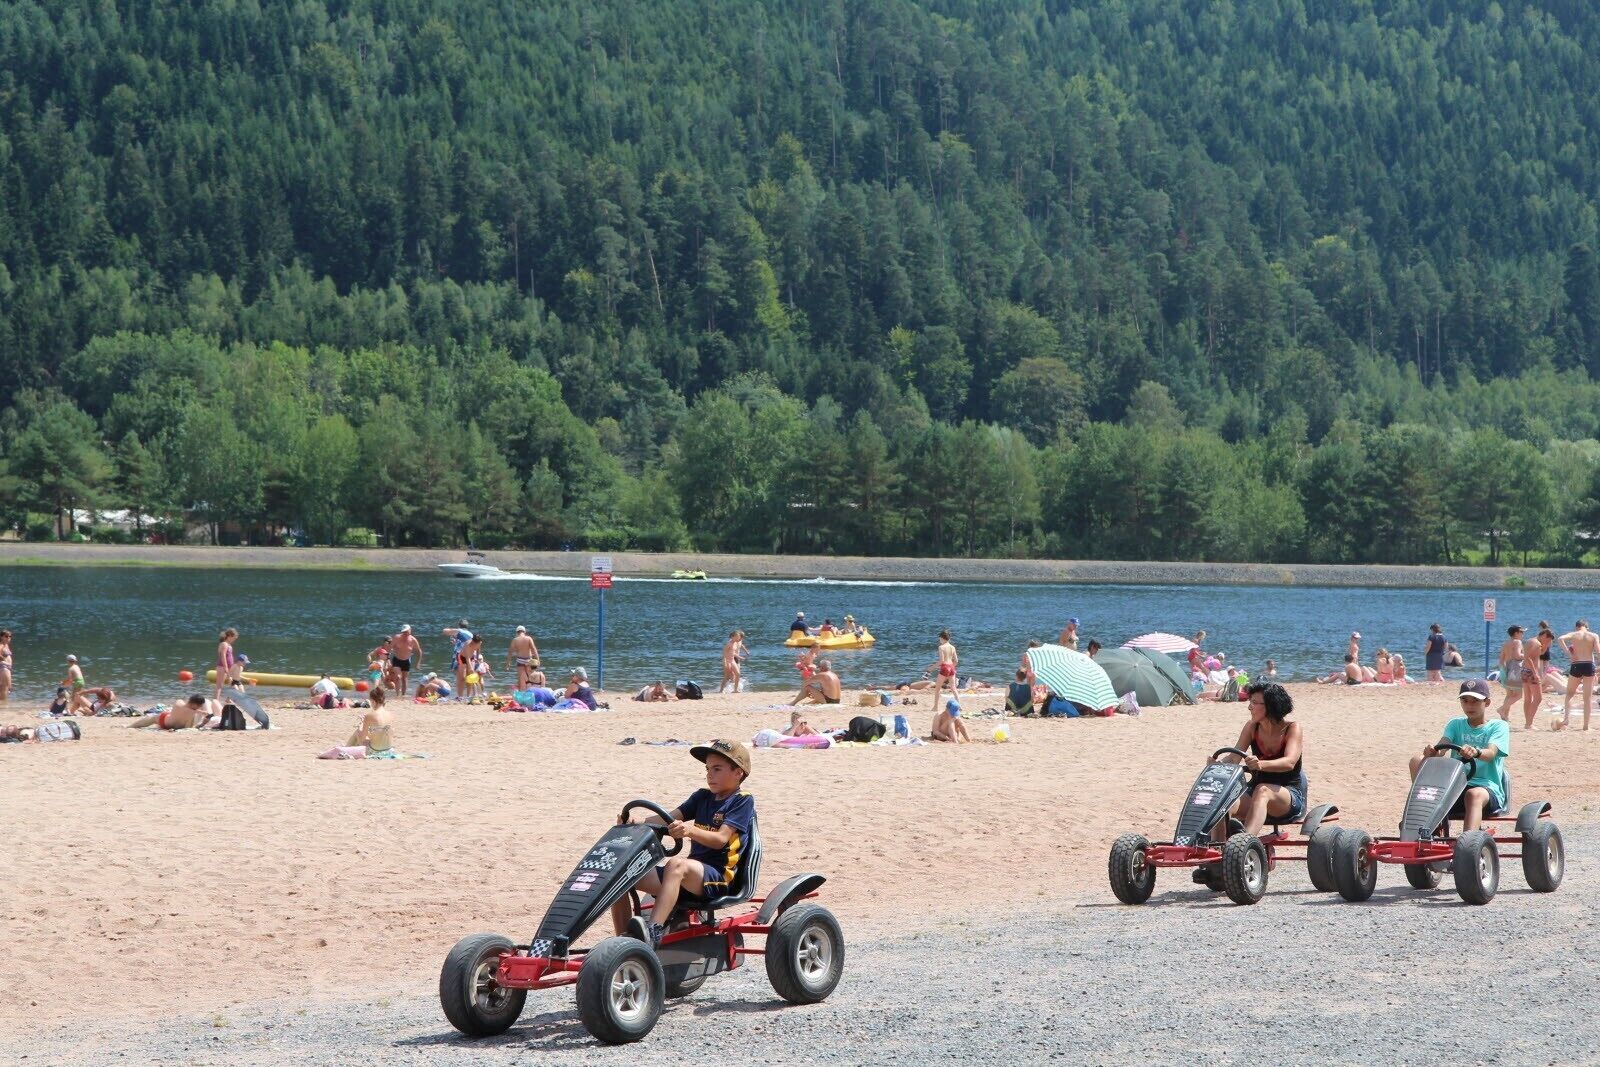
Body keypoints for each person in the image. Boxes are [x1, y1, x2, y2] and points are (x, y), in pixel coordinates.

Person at [609, 740, 756, 947]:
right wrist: (636, 822)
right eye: (707, 769)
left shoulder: (741, 800)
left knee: (676, 864)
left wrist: (690, 831)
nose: (709, 775)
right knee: (621, 877)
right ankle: (624, 944)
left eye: (717, 769)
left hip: (720, 877)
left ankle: (652, 932)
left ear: (738, 772)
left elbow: (721, 840)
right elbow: (668, 817)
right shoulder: (702, 797)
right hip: (689, 876)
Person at [1410, 680, 1508, 830]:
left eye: (1475, 701)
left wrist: (1476, 751)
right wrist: (1433, 752)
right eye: (1465, 701)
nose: (1469, 706)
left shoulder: (1498, 726)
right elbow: (1442, 747)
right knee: (1417, 760)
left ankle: (1469, 842)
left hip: (1486, 790)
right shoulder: (1455, 724)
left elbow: (1491, 753)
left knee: (1473, 795)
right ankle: (1424, 824)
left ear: (1487, 703)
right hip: (1454, 787)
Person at [1214, 682, 1307, 838]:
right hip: (1256, 792)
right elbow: (1234, 757)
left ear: (1271, 706)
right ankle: (1217, 848)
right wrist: (1216, 766)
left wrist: (1260, 764)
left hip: (1289, 796)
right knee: (1224, 799)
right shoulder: (1252, 727)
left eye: (1254, 703)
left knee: (1262, 790)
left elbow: (1289, 762)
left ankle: (1245, 842)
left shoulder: (1292, 728)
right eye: (1250, 702)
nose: (1249, 707)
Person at [1559, 620, 1598, 731]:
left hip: (1576, 664)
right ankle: (1586, 726)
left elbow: (1560, 638)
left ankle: (1566, 720)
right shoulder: (1593, 635)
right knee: (1587, 698)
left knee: (1570, 693)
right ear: (1587, 627)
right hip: (1589, 665)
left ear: (1577, 627)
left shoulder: (1574, 634)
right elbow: (1598, 652)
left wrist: (1568, 653)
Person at [131, 695, 221, 730]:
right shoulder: (193, 713)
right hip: (176, 726)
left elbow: (184, 708)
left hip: (165, 721)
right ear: (195, 705)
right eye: (199, 706)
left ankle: (130, 726)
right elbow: (189, 726)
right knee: (206, 701)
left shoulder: (179, 702)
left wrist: (198, 711)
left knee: (152, 719)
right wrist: (200, 713)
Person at [1495, 625, 1525, 723]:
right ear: (1516, 633)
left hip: (1505, 669)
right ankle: (1501, 709)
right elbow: (1517, 656)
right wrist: (1528, 655)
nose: (1523, 634)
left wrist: (1504, 672)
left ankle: (1505, 716)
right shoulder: (1517, 642)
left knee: (1509, 694)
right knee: (1519, 695)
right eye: (1522, 632)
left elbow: (1501, 660)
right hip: (1515, 669)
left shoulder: (1506, 643)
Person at [443, 621, 474, 699]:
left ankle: (460, 696)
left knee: (460, 677)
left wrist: (451, 628)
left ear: (459, 626)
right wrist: (456, 642)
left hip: (461, 656)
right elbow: (464, 643)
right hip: (471, 656)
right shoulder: (471, 634)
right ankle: (468, 696)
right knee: (469, 676)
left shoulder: (459, 631)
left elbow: (445, 631)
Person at [1519, 629, 1543, 730]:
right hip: (1530, 672)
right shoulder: (1536, 643)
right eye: (1549, 640)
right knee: (1538, 698)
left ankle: (1527, 723)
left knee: (1528, 698)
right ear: (1545, 636)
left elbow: (1528, 656)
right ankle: (1529, 723)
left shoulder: (1530, 641)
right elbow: (1528, 657)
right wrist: (1535, 673)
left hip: (1524, 670)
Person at [390, 625, 422, 696]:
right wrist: (387, 660)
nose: (405, 633)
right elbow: (389, 648)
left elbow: (419, 651)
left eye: (407, 632)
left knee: (404, 679)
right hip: (397, 659)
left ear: (410, 630)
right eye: (404, 632)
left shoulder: (413, 640)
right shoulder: (396, 638)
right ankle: (397, 695)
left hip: (407, 661)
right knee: (398, 677)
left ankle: (403, 695)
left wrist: (418, 663)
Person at [929, 630, 959, 704]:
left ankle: (935, 706)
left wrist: (932, 667)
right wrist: (951, 668)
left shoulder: (941, 647)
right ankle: (958, 705)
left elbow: (941, 661)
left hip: (945, 667)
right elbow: (956, 661)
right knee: (953, 688)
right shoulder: (952, 647)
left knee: (937, 688)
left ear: (942, 638)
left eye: (940, 638)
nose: (939, 640)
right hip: (951, 667)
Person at [215, 628, 238, 700]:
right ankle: (216, 700)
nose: (234, 640)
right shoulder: (224, 644)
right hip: (222, 667)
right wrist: (226, 667)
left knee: (232, 683)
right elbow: (223, 656)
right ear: (230, 636)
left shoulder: (229, 645)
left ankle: (228, 699)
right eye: (234, 638)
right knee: (219, 685)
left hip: (229, 668)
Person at [0, 629, 11, 701]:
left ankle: (3, 705)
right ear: (1, 637)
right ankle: (3, 706)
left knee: (8, 688)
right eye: (6, 636)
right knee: (4, 688)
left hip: (7, 668)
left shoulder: (6, 645)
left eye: (10, 636)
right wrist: (3, 660)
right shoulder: (1, 645)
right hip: (3, 668)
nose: (8, 638)